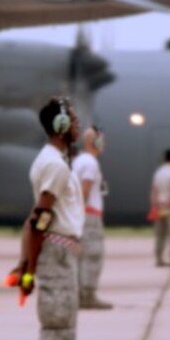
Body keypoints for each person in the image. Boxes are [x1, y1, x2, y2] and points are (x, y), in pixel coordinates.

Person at [15, 97, 90, 340]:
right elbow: (40, 218)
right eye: (72, 119)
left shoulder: (52, 162)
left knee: (59, 329)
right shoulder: (56, 167)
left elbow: (33, 221)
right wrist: (29, 269)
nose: (77, 126)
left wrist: (25, 264)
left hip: (57, 254)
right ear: (60, 126)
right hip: (57, 257)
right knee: (58, 331)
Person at [73, 126, 113, 310]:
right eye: (101, 140)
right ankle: (88, 295)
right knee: (93, 256)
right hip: (89, 216)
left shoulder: (79, 160)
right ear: (95, 142)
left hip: (81, 215)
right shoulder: (90, 163)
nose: (103, 144)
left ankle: (81, 293)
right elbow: (85, 191)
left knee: (82, 258)